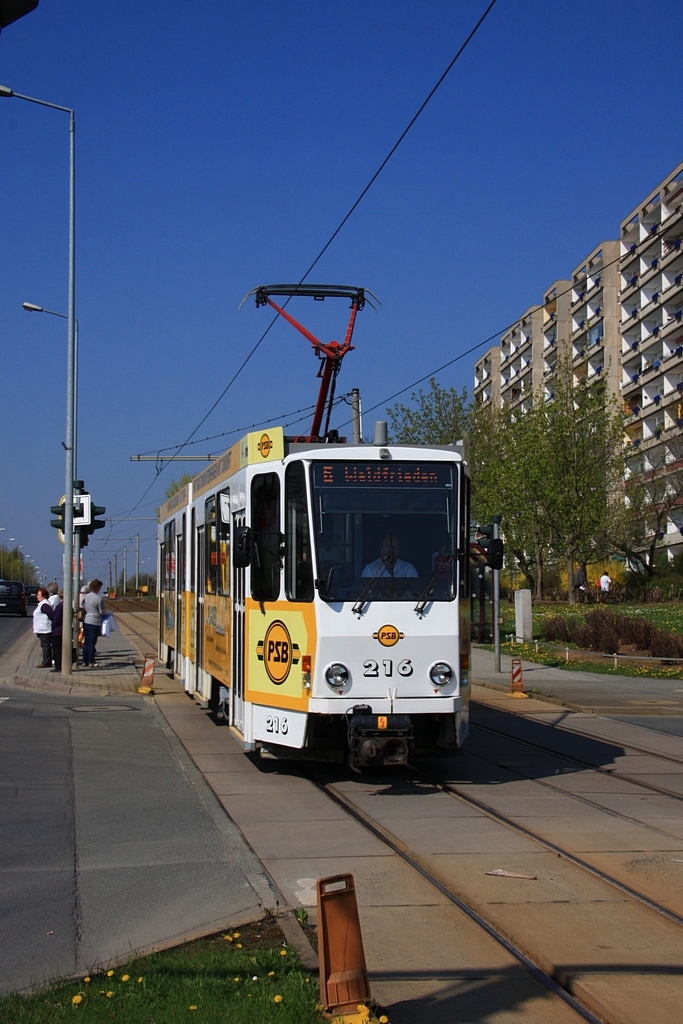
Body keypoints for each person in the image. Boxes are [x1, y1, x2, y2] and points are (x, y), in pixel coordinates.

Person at [81, 578, 105, 668]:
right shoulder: (98, 598)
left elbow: (82, 606)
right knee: (92, 643)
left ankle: (84, 661)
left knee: (86, 642)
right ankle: (92, 661)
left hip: (86, 620)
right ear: (98, 588)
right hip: (94, 622)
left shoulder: (86, 597)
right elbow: (101, 611)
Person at [32, 586, 53, 668]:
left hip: (45, 629)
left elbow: (51, 615)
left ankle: (46, 662)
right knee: (45, 645)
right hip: (42, 629)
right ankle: (47, 661)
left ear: (43, 596)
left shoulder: (45, 605)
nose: (37, 596)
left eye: (38, 594)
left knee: (45, 646)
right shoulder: (42, 604)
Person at [51, 589, 64, 673]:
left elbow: (56, 619)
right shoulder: (66, 605)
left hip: (57, 630)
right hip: (63, 629)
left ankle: (58, 666)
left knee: (56, 649)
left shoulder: (59, 606)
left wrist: (52, 625)